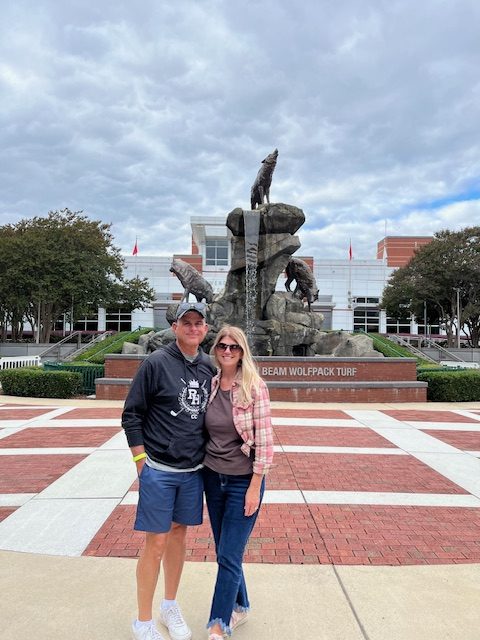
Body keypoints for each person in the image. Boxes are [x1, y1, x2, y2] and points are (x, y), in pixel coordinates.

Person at [122, 302, 215, 640]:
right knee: (156, 542)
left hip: (192, 471)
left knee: (178, 536)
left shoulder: (208, 366)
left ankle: (169, 606)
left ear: (205, 329)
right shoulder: (156, 363)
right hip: (158, 469)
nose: (192, 328)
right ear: (175, 327)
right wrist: (140, 463)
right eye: (186, 322)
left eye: (198, 323)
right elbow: (131, 414)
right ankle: (143, 621)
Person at [203, 325, 274, 640]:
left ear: (242, 351)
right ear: (216, 350)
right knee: (225, 551)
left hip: (243, 481)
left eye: (234, 347)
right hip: (212, 478)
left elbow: (266, 443)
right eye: (222, 346)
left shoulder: (255, 388)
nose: (228, 351)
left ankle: (219, 623)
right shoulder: (212, 384)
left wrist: (254, 486)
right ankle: (241, 605)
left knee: (229, 555)